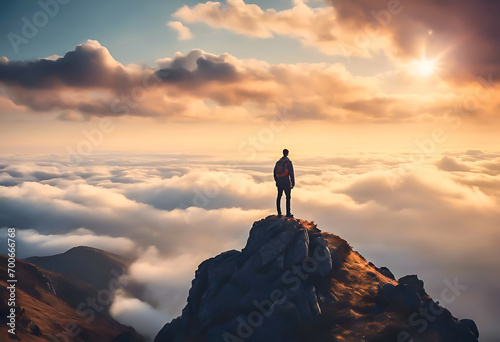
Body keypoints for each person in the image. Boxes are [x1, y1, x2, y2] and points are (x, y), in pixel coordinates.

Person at [274, 149, 295, 218]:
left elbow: (274, 172)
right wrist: (293, 182)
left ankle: (279, 213)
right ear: (288, 154)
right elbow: (291, 173)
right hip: (286, 181)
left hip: (279, 181)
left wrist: (276, 181)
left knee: (279, 196)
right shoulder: (288, 162)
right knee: (288, 197)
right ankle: (288, 213)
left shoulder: (278, 162)